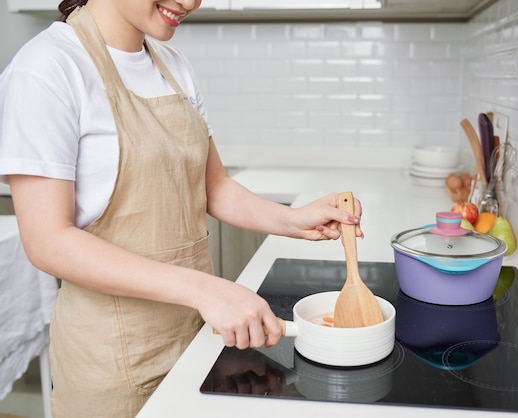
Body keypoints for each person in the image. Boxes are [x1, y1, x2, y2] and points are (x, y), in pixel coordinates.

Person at [0, 1, 363, 416]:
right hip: (112, 365)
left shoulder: (171, 64)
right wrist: (208, 290)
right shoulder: (47, 68)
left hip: (195, 339)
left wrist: (293, 220)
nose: (190, 2)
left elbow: (215, 187)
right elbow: (48, 241)